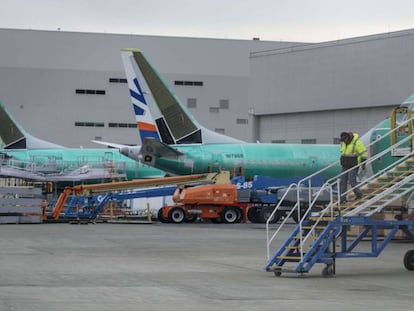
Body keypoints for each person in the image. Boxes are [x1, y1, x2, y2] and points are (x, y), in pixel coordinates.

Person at [339, 132, 368, 203]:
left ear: (349, 138)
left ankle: (359, 194)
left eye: (345, 139)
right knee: (342, 181)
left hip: (354, 165)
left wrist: (363, 163)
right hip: (345, 164)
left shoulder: (357, 143)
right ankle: (342, 199)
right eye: (343, 140)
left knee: (352, 180)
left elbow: (364, 153)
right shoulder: (343, 142)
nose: (344, 141)